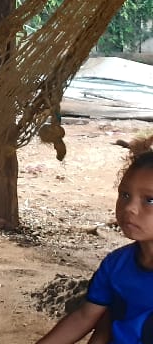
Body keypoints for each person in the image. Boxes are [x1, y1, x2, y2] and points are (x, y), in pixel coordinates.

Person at [36, 139, 153, 344]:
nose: (130, 208)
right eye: (125, 195)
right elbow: (85, 317)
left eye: (150, 200)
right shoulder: (116, 265)